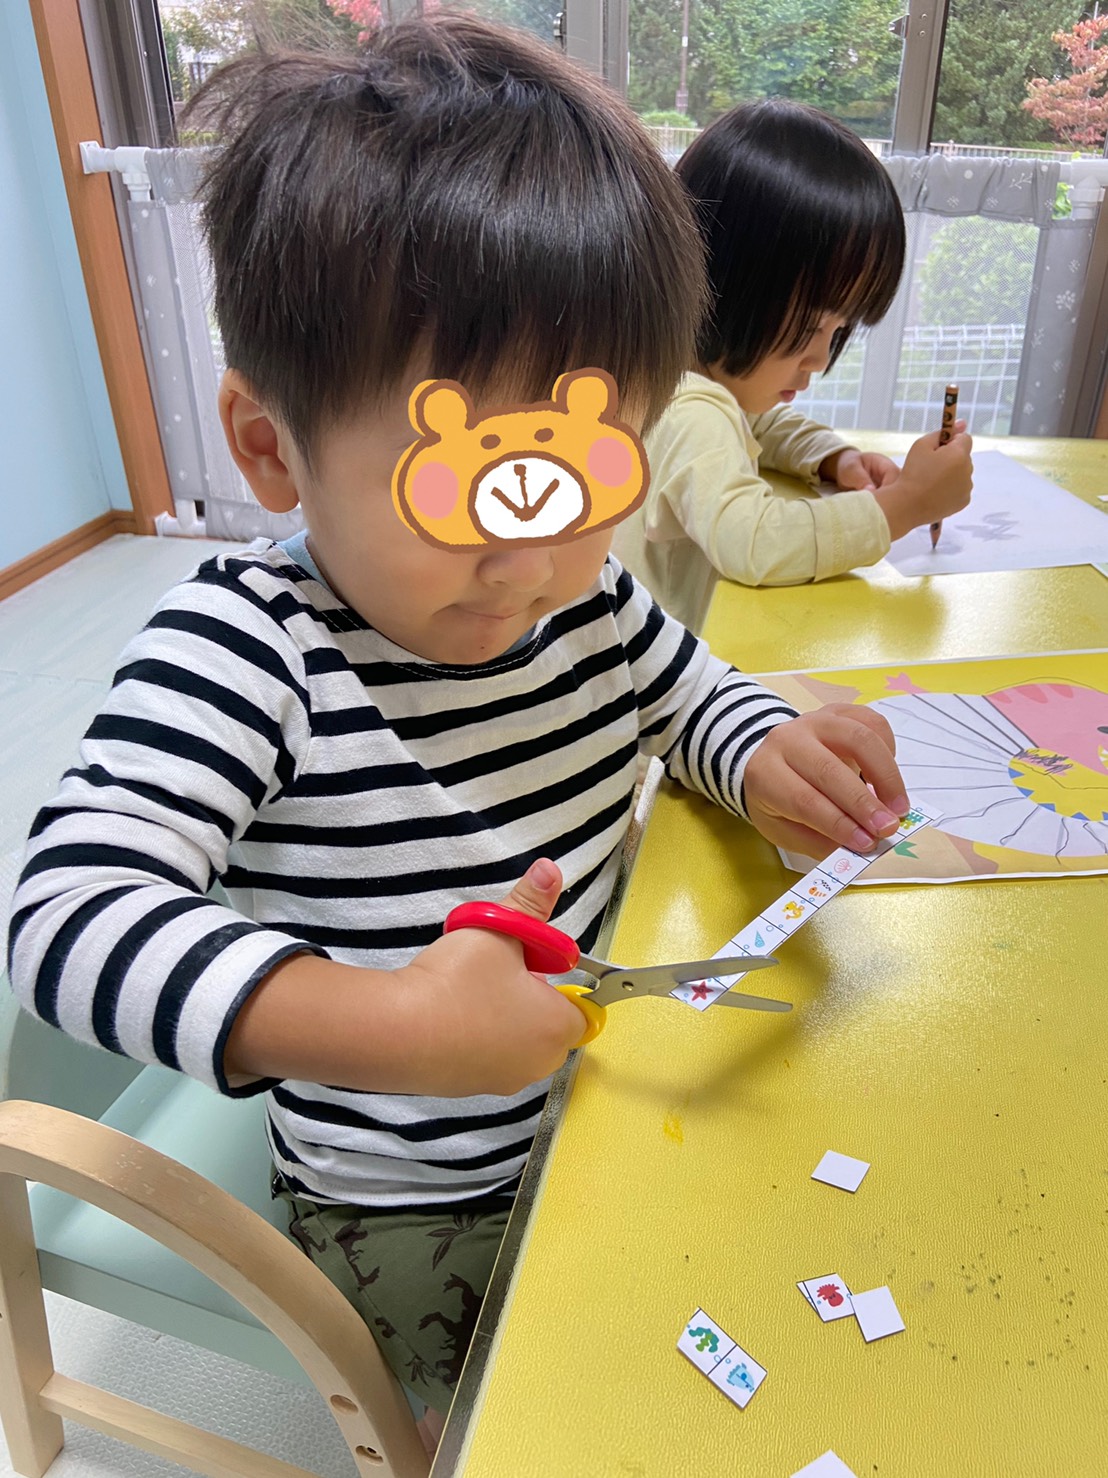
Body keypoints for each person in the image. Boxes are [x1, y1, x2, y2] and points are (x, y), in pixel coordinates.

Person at [5, 18, 912, 1450]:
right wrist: (389, 1028)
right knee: (535, 1422)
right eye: (467, 494)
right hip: (407, 1197)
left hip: (592, 1096)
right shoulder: (255, 648)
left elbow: (686, 692)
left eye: (580, 484)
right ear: (271, 446)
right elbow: (64, 917)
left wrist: (759, 748)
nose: (531, 563)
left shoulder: (582, 596)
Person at [612, 99, 974, 631]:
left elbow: (758, 424)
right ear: (724, 283)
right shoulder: (691, 413)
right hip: (654, 675)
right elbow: (753, 542)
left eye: (840, 332)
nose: (820, 359)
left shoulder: (676, 378)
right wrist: (905, 505)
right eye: (810, 328)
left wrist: (831, 458)